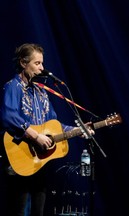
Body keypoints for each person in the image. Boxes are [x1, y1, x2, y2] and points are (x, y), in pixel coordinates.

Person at [0, 43, 94, 216]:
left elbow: (53, 123)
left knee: (39, 210)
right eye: (37, 63)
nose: (42, 68)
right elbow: (8, 116)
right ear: (23, 63)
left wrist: (79, 129)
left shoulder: (41, 92)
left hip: (38, 162)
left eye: (42, 63)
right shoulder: (13, 86)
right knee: (19, 211)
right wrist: (35, 136)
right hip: (18, 158)